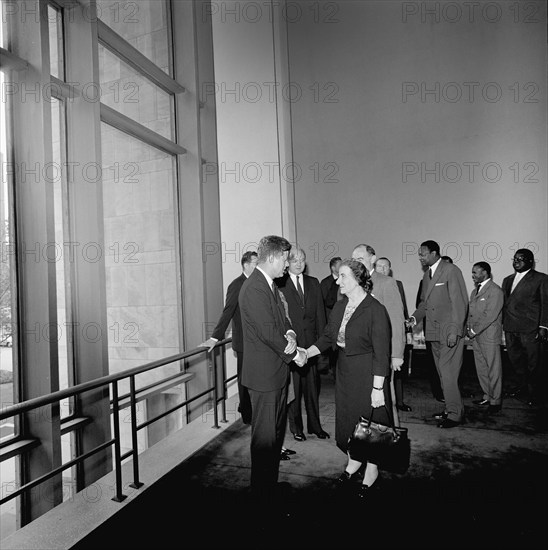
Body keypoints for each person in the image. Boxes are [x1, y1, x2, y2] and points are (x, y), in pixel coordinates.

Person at [305, 259, 392, 498]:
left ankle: (371, 470)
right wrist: (306, 353)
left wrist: (378, 388)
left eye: (342, 276)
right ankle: (354, 461)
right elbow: (327, 337)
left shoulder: (375, 310)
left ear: (356, 279)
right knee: (348, 420)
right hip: (344, 371)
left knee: (370, 425)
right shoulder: (341, 306)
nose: (337, 280)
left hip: (367, 373)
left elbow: (382, 353)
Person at [239, 235, 307, 508]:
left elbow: (282, 320)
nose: (288, 265)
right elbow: (267, 331)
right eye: (286, 259)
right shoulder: (254, 288)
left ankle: (269, 486)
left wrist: (290, 333)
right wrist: (295, 354)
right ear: (273, 258)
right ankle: (261, 496)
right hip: (264, 377)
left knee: (275, 436)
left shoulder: (269, 285)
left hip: (275, 373)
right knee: (265, 440)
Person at [407, 241, 468, 428]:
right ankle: (450, 409)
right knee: (442, 374)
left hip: (449, 332)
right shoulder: (427, 275)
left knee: (448, 373)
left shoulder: (451, 270)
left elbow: (460, 303)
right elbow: (424, 303)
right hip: (434, 333)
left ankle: (455, 415)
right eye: (419, 254)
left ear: (434, 253)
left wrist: (455, 331)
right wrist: (414, 319)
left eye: (423, 254)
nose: (420, 257)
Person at [198, 251, 258, 424]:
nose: (257, 265)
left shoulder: (259, 283)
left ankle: (254, 410)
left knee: (256, 379)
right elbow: (228, 312)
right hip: (245, 344)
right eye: (255, 262)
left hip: (259, 342)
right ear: (246, 265)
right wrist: (215, 337)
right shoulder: (236, 285)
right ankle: (247, 416)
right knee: (244, 380)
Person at [277, 247, 329, 441]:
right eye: (294, 260)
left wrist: (322, 346)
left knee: (312, 390)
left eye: (302, 260)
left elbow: (320, 316)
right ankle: (296, 428)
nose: (299, 263)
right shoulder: (279, 284)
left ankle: (315, 426)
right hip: (292, 347)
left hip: (312, 347)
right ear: (288, 262)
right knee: (295, 391)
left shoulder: (313, 283)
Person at [351, 245, 405, 388]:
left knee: (382, 394)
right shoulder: (350, 283)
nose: (356, 263)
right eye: (353, 260)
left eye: (360, 259)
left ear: (373, 259)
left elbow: (396, 319)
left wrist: (396, 354)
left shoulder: (386, 283)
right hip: (357, 350)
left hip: (379, 350)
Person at [502, 249, 548, 407]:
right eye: (514, 259)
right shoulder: (507, 280)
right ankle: (522, 388)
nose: (516, 261)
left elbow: (545, 304)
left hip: (530, 329)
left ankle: (537, 394)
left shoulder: (541, 279)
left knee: (535, 364)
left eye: (521, 259)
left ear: (530, 261)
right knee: (516, 361)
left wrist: (543, 326)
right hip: (510, 328)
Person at [466, 262, 504, 414]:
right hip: (476, 337)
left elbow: (490, 315)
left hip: (488, 336)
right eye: (473, 272)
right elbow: (471, 313)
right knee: (481, 368)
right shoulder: (475, 291)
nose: (473, 275)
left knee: (493, 369)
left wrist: (473, 330)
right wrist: (469, 329)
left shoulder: (495, 291)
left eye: (475, 272)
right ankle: (487, 395)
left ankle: (496, 400)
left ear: (485, 273)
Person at [375, 257, 412, 412]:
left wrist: (406, 332)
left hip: (394, 334)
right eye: (380, 266)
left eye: (386, 267)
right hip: (379, 337)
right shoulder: (370, 283)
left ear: (390, 269)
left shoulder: (396, 284)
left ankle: (398, 403)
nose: (383, 269)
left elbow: (401, 311)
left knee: (395, 375)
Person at [318, 256, 342, 375]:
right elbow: (322, 304)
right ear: (333, 268)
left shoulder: (345, 280)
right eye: (339, 265)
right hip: (330, 320)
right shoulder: (325, 282)